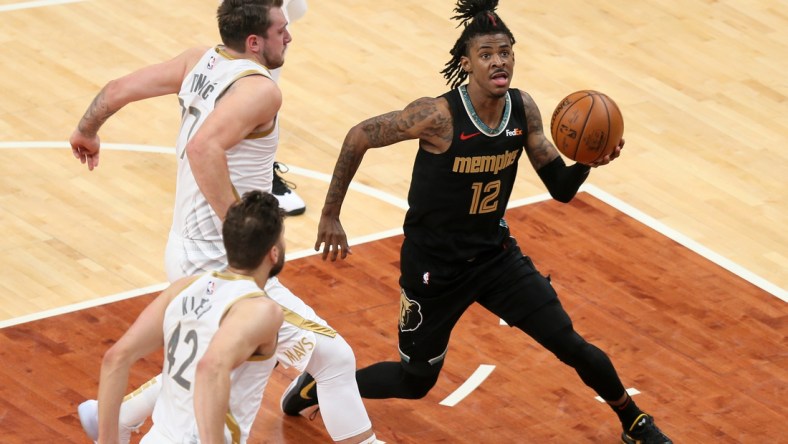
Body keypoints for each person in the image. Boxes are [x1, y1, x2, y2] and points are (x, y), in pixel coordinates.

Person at [282, 1, 673, 443]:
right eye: (486, 54)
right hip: (435, 268)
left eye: (505, 52)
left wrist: (586, 161)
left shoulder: (523, 110)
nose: (498, 61)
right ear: (466, 64)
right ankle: (318, 385)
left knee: (569, 342)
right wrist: (331, 213)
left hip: (494, 258)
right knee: (416, 381)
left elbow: (560, 188)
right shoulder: (437, 116)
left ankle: (635, 422)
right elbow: (360, 135)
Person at [70, 1, 376, 443]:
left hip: (185, 248)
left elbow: (118, 88)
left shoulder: (198, 59)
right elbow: (202, 148)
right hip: (225, 254)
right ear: (254, 42)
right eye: (280, 30)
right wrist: (242, 228)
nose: (289, 36)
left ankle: (116, 417)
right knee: (333, 358)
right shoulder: (262, 90)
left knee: (235, 353)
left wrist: (87, 129)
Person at [96, 190, 284, 443]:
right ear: (273, 253)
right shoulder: (263, 310)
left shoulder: (182, 287)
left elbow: (115, 358)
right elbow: (210, 368)